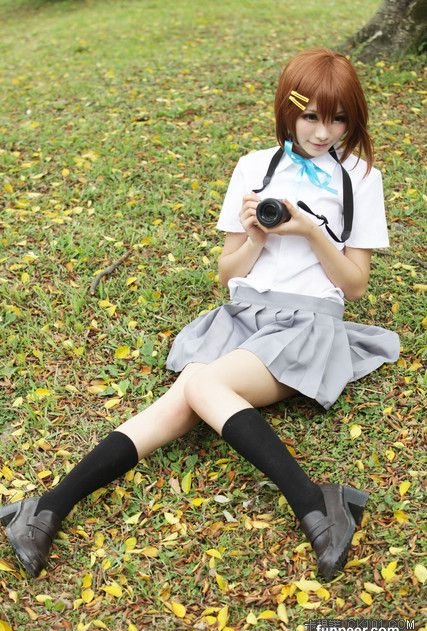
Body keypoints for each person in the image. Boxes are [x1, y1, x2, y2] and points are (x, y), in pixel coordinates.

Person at [0, 48, 400, 582]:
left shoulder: (361, 177)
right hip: (243, 315)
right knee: (188, 392)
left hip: (306, 325)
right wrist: (256, 237)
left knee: (200, 383)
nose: (323, 132)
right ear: (288, 109)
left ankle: (312, 503)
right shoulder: (254, 167)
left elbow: (354, 285)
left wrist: (310, 230)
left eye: (339, 119)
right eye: (310, 116)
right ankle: (48, 508)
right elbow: (226, 272)